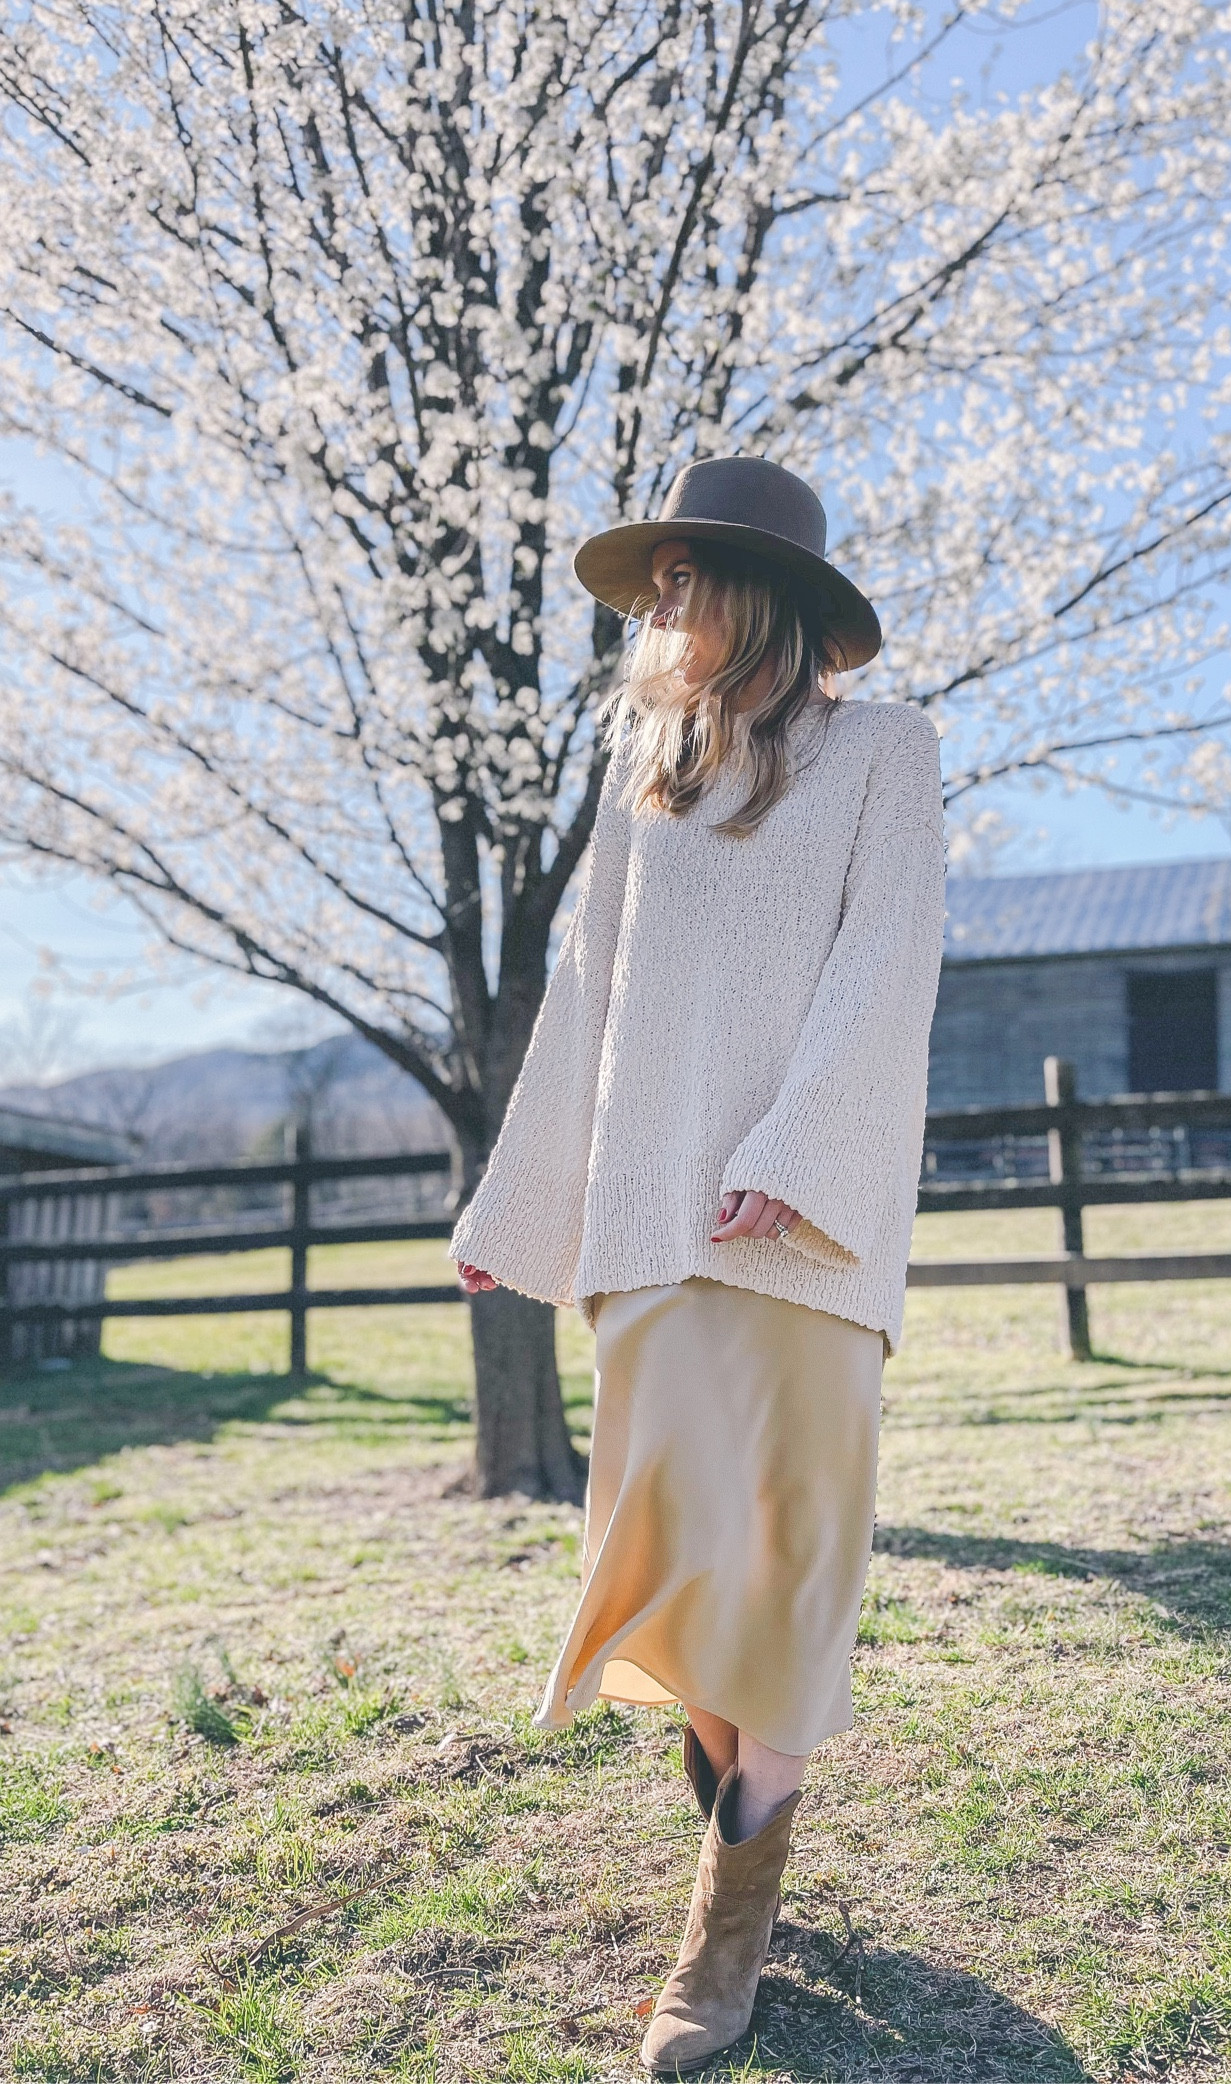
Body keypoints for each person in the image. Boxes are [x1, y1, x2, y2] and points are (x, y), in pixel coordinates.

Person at [451, 454, 946, 2076]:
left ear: (761, 595)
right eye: (654, 578)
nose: (660, 603)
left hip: (805, 1235)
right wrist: (520, 1208)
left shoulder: (886, 752)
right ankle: (743, 1823)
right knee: (681, 1572)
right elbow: (584, 998)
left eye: (683, 575)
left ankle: (720, 1947)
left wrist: (792, 1157)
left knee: (782, 1585)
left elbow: (889, 969)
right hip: (649, 1224)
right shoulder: (643, 776)